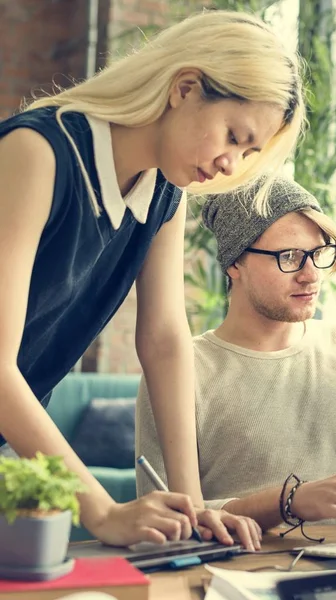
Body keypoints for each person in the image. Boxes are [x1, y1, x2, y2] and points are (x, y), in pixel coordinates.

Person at [0, 10, 305, 548]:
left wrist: (191, 507)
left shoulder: (166, 192)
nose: (230, 163)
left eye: (248, 153)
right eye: (234, 136)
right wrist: (102, 511)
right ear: (185, 87)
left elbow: (164, 340)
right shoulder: (38, 152)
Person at [136, 176, 336, 543]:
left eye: (319, 252)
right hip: (257, 576)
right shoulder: (182, 370)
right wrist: (289, 500)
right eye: (290, 256)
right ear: (235, 264)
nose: (311, 275)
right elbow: (165, 518)